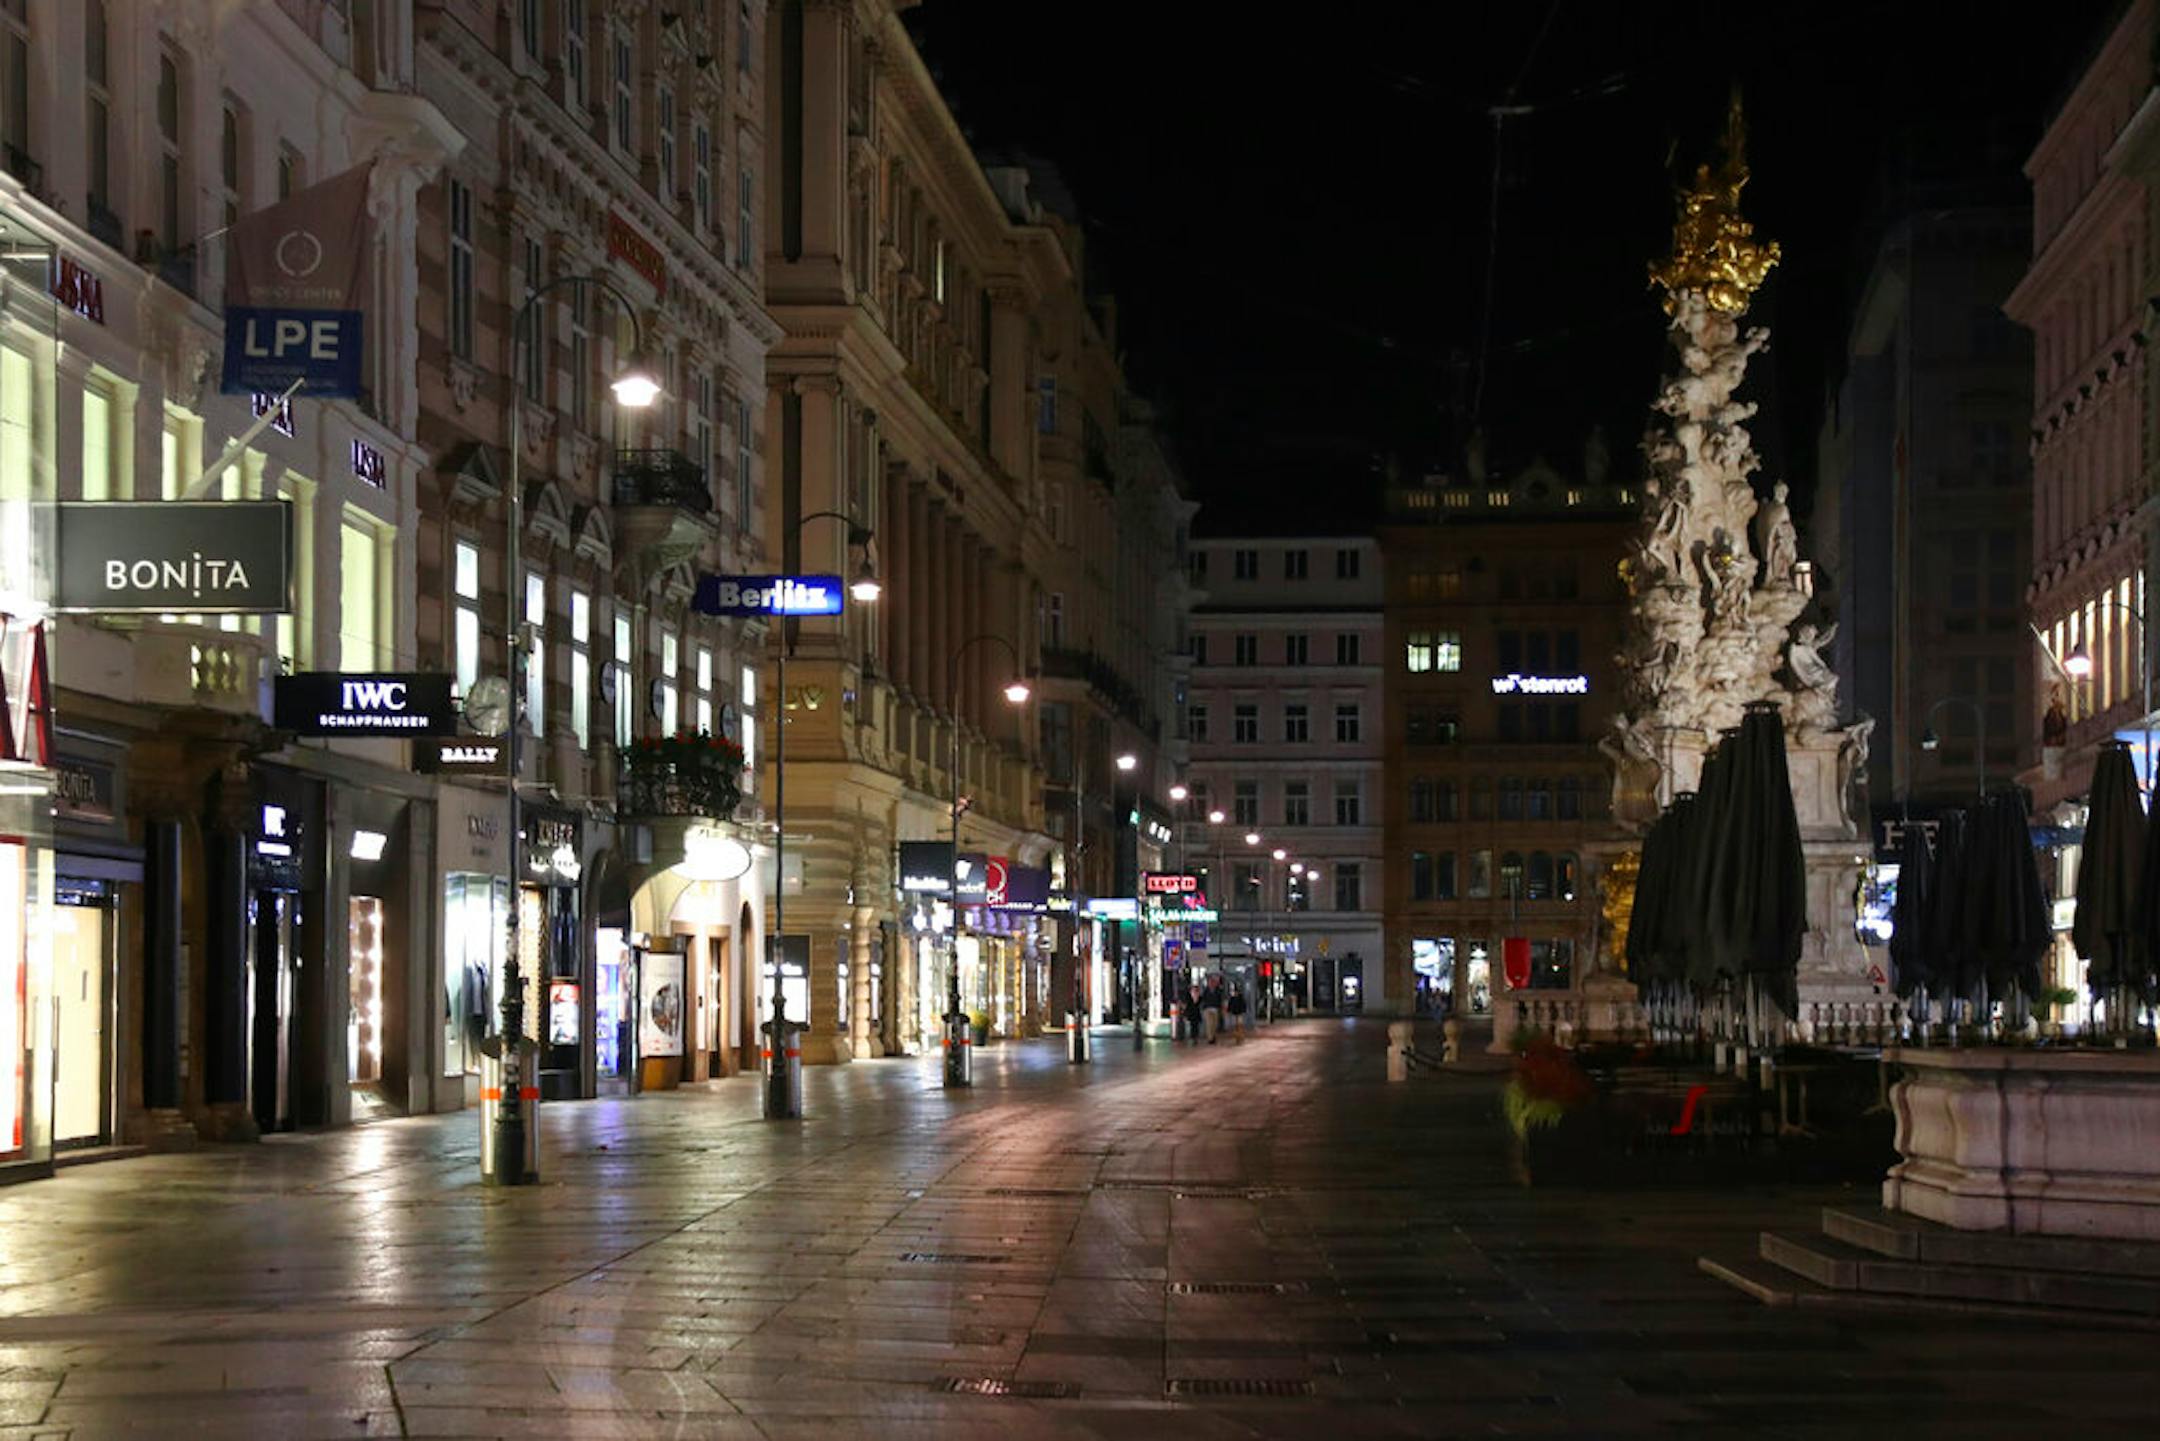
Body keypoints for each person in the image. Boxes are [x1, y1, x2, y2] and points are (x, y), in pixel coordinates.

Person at [1202, 975, 1225, 1045]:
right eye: (1210, 982)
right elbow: (1203, 999)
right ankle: (1210, 1038)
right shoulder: (1206, 990)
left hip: (1215, 1009)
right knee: (1209, 1024)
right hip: (1208, 1009)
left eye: (1213, 982)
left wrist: (1221, 1008)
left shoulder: (1218, 991)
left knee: (1215, 1024)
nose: (1211, 984)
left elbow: (1220, 1000)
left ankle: (1213, 1036)